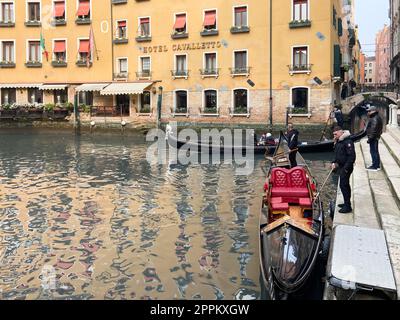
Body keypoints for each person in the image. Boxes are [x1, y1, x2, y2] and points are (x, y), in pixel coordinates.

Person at [331, 126, 356, 214]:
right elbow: (337, 154)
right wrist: (334, 162)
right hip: (341, 166)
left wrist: (345, 169)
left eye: (335, 134)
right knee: (343, 185)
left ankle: (347, 206)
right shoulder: (339, 141)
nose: (334, 136)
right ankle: (346, 203)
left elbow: (352, 157)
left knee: (344, 185)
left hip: (346, 167)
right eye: (333, 134)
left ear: (341, 132)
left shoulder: (348, 142)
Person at [365, 105, 383, 171]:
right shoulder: (376, 117)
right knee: (375, 151)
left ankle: (375, 166)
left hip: (374, 138)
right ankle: (376, 165)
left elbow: (374, 130)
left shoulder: (374, 118)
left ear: (373, 111)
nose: (368, 112)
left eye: (369, 111)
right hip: (375, 137)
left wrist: (370, 138)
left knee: (373, 151)